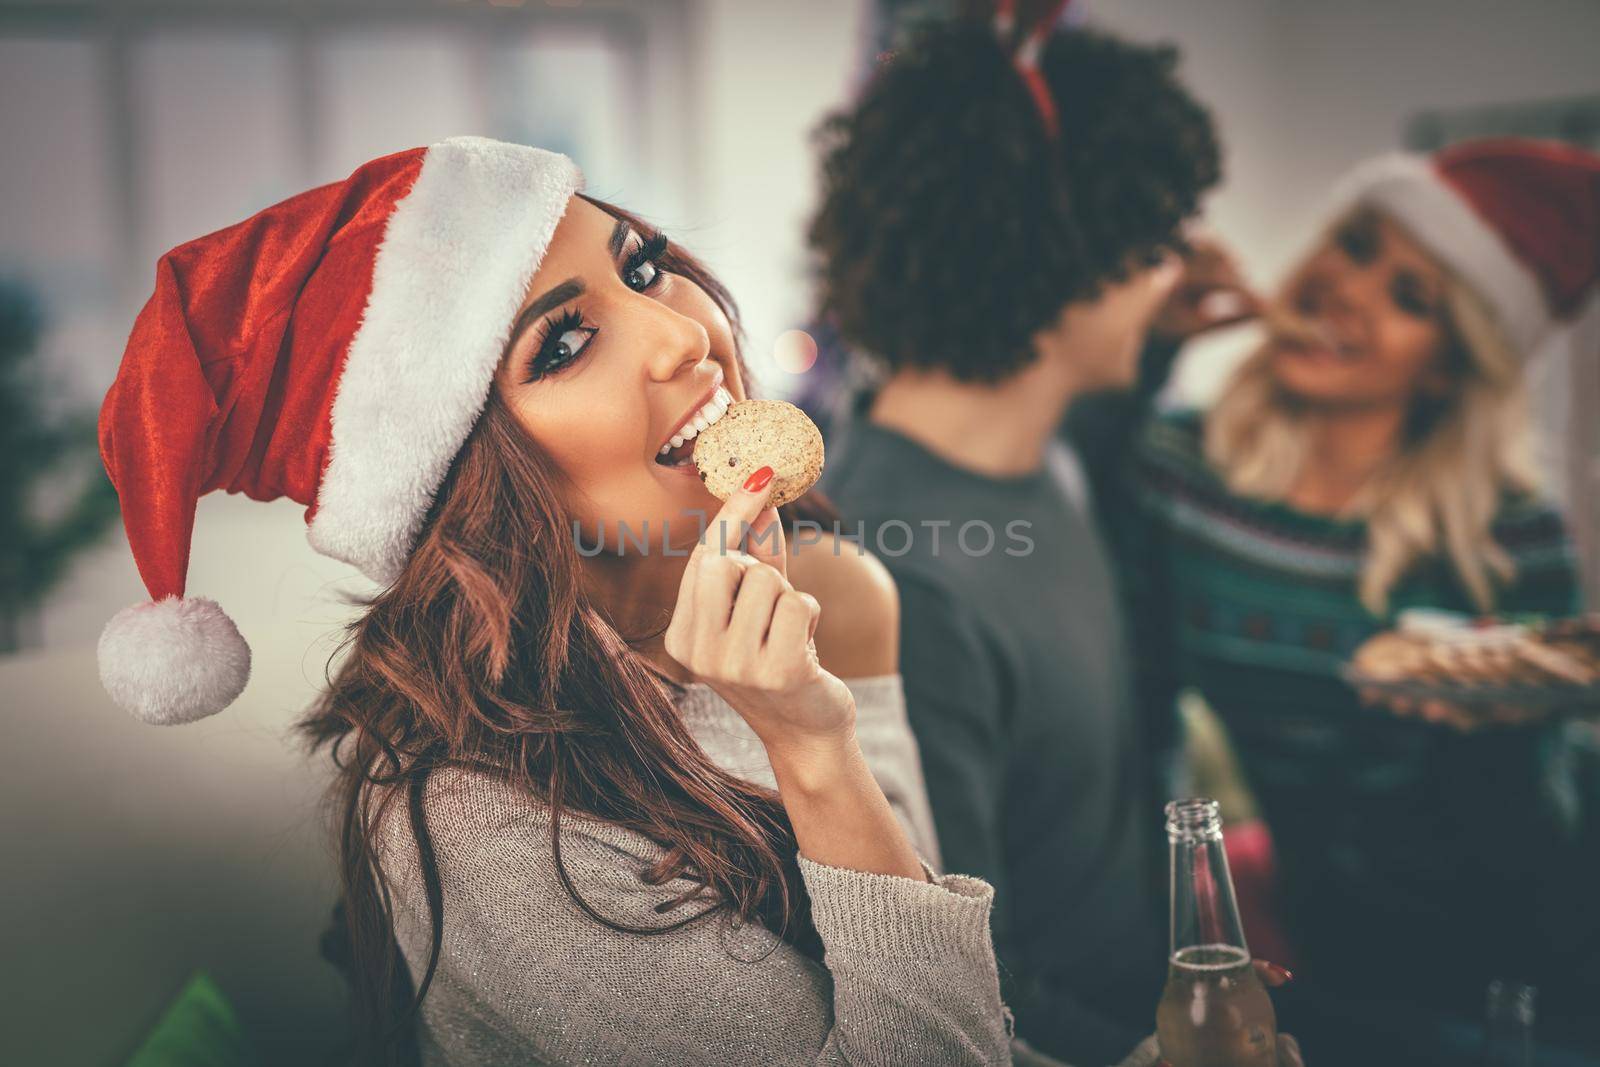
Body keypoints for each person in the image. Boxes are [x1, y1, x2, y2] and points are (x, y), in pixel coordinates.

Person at [94, 137, 1031, 1066]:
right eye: (566, 344)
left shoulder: (830, 596)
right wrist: (811, 746)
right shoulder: (479, 824)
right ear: (459, 479)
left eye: (645, 266)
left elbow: (953, 1006)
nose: (683, 335)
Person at [1120, 138, 1600, 1063]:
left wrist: (1491, 732)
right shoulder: (1183, 471)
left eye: (1411, 297)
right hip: (1322, 946)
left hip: (1518, 950)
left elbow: (1530, 826)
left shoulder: (1508, 537)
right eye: (1357, 245)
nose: (1349, 286)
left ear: (1453, 365)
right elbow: (1132, 675)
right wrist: (1146, 351)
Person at [807, 14, 1229, 1064]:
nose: (1174, 271)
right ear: (1069, 257)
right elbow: (974, 980)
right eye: (1158, 237)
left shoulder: (1051, 449)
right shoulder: (900, 581)